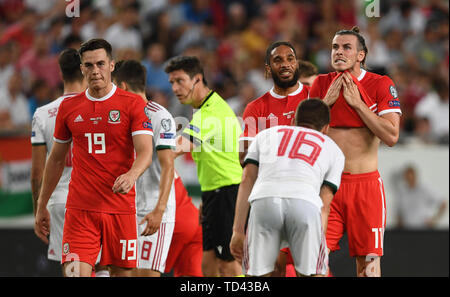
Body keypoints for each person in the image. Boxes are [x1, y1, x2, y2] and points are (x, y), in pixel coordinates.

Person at [34, 38, 154, 277]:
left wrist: (132, 174)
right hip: (80, 211)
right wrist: (41, 204)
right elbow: (56, 159)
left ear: (111, 65)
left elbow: (145, 152)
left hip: (120, 208)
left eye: (100, 64)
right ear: (81, 68)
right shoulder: (69, 108)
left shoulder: (132, 104)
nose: (95, 70)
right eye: (89, 65)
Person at [309, 26, 402, 277]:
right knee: (313, 262)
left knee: (368, 267)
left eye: (346, 47)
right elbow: (303, 136)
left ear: (361, 55)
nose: (339, 52)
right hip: (328, 187)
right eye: (335, 47)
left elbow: (392, 136)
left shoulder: (380, 84)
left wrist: (358, 106)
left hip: (366, 188)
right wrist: (324, 104)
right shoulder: (320, 84)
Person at [230, 99, 345, 277]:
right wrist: (316, 244)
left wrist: (237, 230)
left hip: (264, 200)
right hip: (305, 203)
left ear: (293, 121)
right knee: (314, 274)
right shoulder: (333, 149)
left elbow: (247, 180)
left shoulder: (265, 135)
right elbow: (324, 205)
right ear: (326, 129)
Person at [165, 55, 242, 277]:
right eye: (172, 82)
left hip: (226, 192)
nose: (175, 88)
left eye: (180, 81)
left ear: (197, 79)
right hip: (214, 193)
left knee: (227, 264)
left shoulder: (210, 114)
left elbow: (176, 149)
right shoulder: (205, 107)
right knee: (207, 265)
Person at [111, 59, 176, 277]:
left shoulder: (160, 117)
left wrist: (159, 210)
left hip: (152, 209)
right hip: (125, 209)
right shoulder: (117, 117)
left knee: (146, 275)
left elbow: (168, 166)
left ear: (122, 87)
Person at [30, 48, 86, 271]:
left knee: (73, 268)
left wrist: (38, 209)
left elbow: (37, 173)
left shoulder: (42, 114)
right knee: (101, 265)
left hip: (61, 200)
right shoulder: (97, 108)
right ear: (84, 70)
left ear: (61, 75)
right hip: (96, 197)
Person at [239, 41, 309, 165]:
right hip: (273, 181)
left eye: (290, 59)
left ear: (296, 64)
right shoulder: (256, 108)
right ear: (268, 69)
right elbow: (244, 155)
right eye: (278, 60)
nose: (285, 64)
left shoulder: (314, 97)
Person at [164, 171, 203, 277]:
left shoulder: (143, 162)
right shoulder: (167, 162)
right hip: (194, 221)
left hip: (173, 224)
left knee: (148, 270)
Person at [394, 165, 447, 229]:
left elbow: (443, 203)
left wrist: (434, 220)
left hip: (423, 229)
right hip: (406, 230)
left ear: (415, 176)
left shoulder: (425, 189)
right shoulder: (402, 192)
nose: (409, 180)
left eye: (411, 177)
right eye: (407, 178)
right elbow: (399, 211)